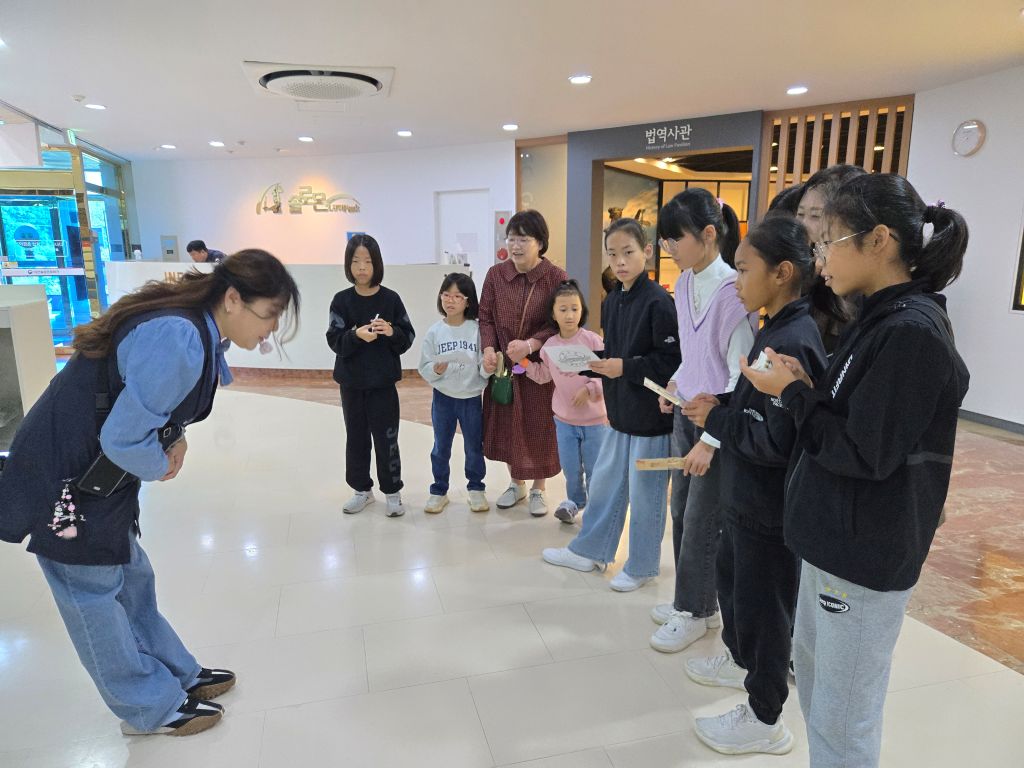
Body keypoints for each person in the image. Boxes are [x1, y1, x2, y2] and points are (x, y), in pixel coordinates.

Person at [0, 249, 300, 736]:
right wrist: (161, 463)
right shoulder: (179, 335)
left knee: (132, 576)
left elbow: (151, 406)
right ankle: (148, 707)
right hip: (67, 479)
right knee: (92, 593)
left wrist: (173, 438)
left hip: (96, 476)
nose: (271, 330)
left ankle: (174, 674)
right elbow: (122, 439)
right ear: (232, 299)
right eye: (269, 314)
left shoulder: (195, 328)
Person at [742, 174, 970, 768]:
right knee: (822, 701)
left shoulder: (910, 331)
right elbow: (855, 415)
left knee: (843, 720)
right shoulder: (876, 317)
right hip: (833, 542)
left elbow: (862, 452)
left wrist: (792, 393)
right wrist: (805, 384)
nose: (820, 258)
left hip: (861, 556)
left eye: (829, 241)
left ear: (879, 240)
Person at [680, 213, 831, 756]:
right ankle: (739, 661)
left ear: (783, 272)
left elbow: (776, 440)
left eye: (744, 270)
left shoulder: (794, 338)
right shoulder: (774, 324)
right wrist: (720, 403)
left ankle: (766, 718)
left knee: (766, 613)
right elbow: (756, 403)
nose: (736, 281)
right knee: (736, 590)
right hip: (745, 502)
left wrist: (716, 420)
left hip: (769, 511)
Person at [541, 218, 680, 591]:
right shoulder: (614, 299)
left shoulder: (659, 302)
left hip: (652, 420)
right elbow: (614, 354)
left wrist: (623, 367)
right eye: (613, 254)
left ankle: (641, 566)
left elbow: (670, 362)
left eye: (628, 252)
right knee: (605, 486)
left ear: (646, 252)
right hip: (618, 415)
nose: (620, 261)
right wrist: (591, 363)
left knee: (647, 495)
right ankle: (590, 550)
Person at [649, 189, 757, 653]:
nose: (668, 248)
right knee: (681, 510)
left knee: (702, 520)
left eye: (675, 238)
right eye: (665, 240)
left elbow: (739, 374)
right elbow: (693, 352)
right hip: (686, 412)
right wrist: (676, 382)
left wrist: (711, 439)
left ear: (709, 234)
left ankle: (693, 611)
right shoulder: (685, 282)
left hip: (715, 423)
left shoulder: (735, 292)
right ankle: (695, 601)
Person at [479, 210, 567, 517]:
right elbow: (485, 317)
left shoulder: (556, 277)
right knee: (506, 424)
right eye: (511, 239)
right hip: (504, 367)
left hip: (538, 367)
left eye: (523, 239)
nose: (515, 246)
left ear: (540, 242)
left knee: (539, 424)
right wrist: (489, 348)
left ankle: (539, 488)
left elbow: (560, 321)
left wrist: (530, 345)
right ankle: (516, 484)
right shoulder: (495, 275)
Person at [327, 234, 415, 518]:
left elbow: (407, 338)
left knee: (387, 438)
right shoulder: (341, 301)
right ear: (348, 265)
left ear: (377, 264)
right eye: (356, 261)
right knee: (356, 438)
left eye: (367, 261)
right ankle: (361, 490)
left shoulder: (391, 299)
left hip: (382, 384)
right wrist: (355, 335)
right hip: (351, 384)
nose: (362, 267)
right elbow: (334, 340)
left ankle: (392, 492)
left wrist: (390, 331)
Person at [525, 279, 609, 524]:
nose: (570, 315)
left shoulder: (593, 341)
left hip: (595, 422)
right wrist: (523, 363)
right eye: (563, 309)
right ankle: (574, 502)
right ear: (553, 314)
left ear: (582, 310)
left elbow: (606, 374)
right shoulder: (550, 346)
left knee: (595, 468)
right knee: (571, 468)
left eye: (574, 308)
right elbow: (543, 375)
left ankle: (595, 509)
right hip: (564, 421)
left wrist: (589, 389)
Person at [418, 272, 490, 514]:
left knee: (473, 446)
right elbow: (424, 366)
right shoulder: (435, 332)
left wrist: (488, 368)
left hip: (471, 398)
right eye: (446, 295)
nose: (450, 300)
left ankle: (476, 488)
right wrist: (436, 370)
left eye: (457, 296)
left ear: (468, 301)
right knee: (441, 446)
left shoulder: (477, 330)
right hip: (443, 398)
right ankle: (439, 490)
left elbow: (483, 366)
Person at [795, 164, 866, 354]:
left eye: (815, 215)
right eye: (800, 214)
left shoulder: (860, 286)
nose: (803, 224)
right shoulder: (807, 268)